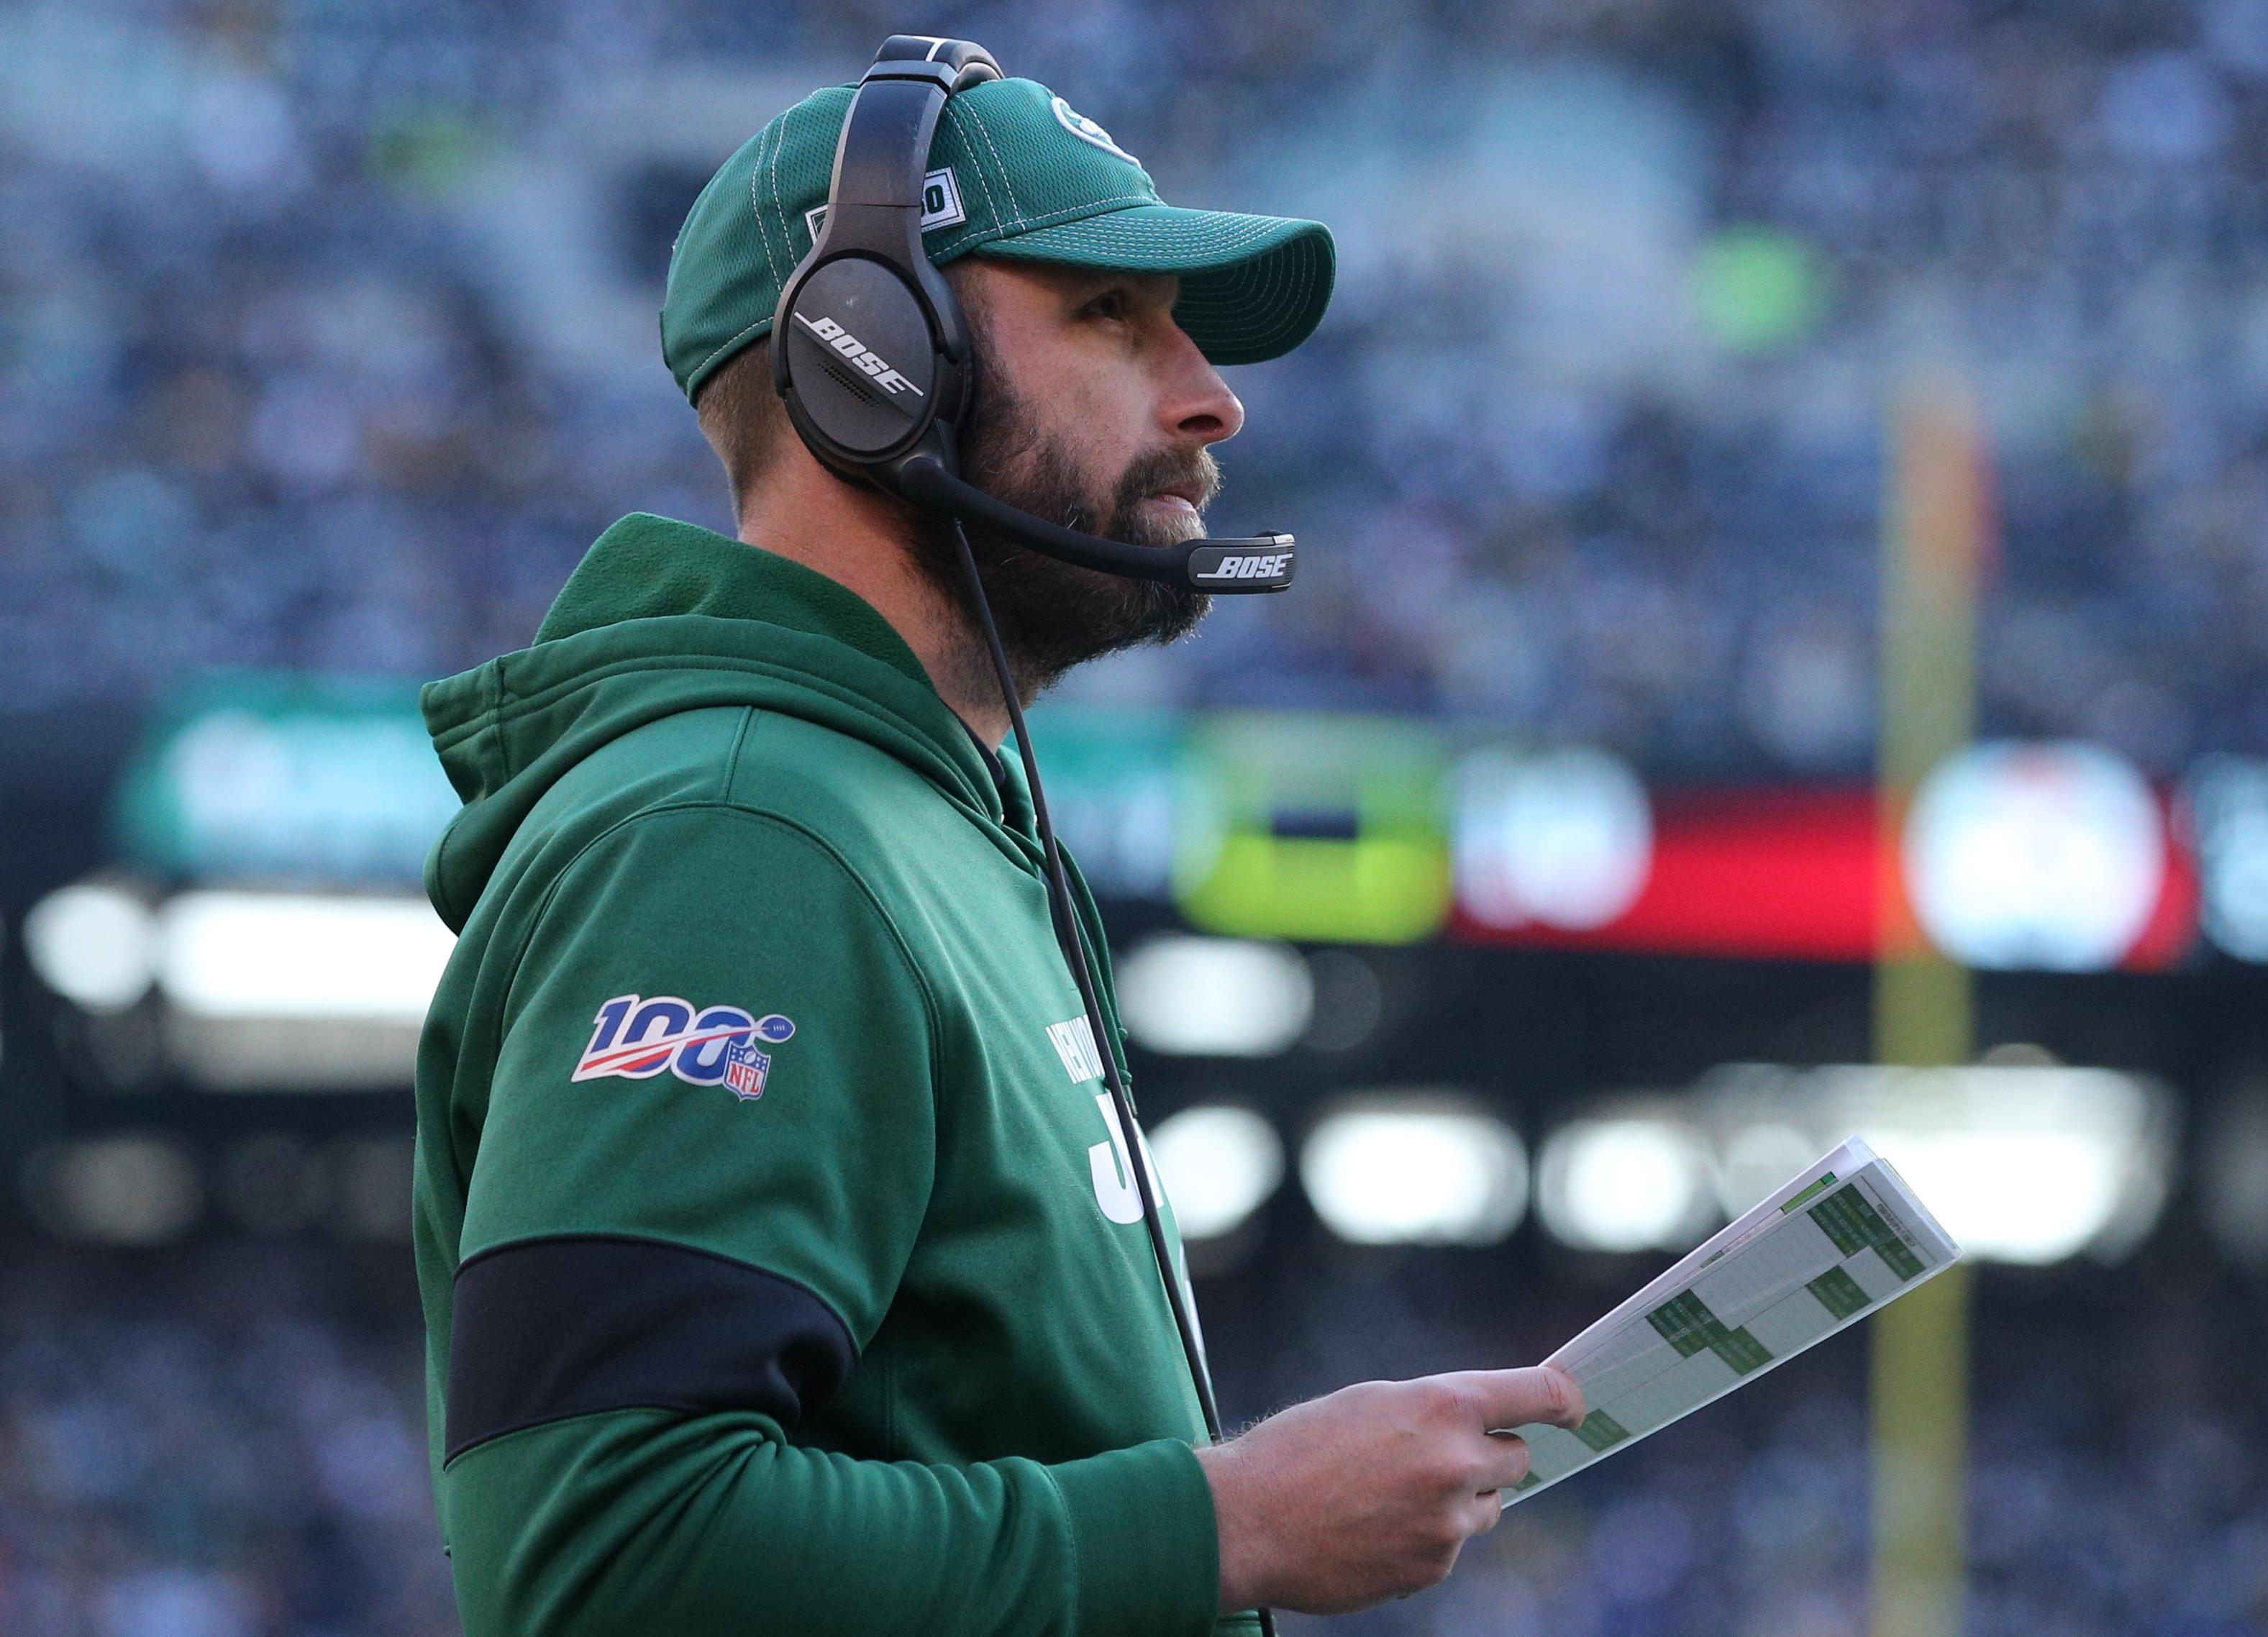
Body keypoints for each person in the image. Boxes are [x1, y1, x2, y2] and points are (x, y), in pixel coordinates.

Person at [411, 60, 1582, 1637]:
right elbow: (603, 1556)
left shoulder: (910, 815)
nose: (1210, 394)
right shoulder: (741, 835)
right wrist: (1226, 1523)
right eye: (1110, 313)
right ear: (875, 364)